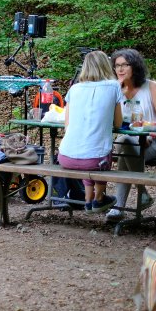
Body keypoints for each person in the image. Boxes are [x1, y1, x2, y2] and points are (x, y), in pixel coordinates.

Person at [106, 48, 156, 222]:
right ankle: (141, 194)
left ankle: (119, 207)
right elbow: (111, 121)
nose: (120, 69)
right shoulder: (115, 90)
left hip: (154, 142)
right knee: (125, 141)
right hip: (128, 143)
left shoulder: (151, 86)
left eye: (125, 65)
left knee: (123, 145)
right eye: (117, 65)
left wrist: (150, 134)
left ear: (135, 66)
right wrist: (115, 93)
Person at [57, 50, 124, 213]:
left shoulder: (74, 89)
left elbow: (68, 124)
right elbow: (118, 123)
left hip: (65, 157)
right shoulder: (114, 86)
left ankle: (88, 200)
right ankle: (99, 199)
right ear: (106, 66)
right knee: (100, 154)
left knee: (88, 148)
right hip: (95, 160)